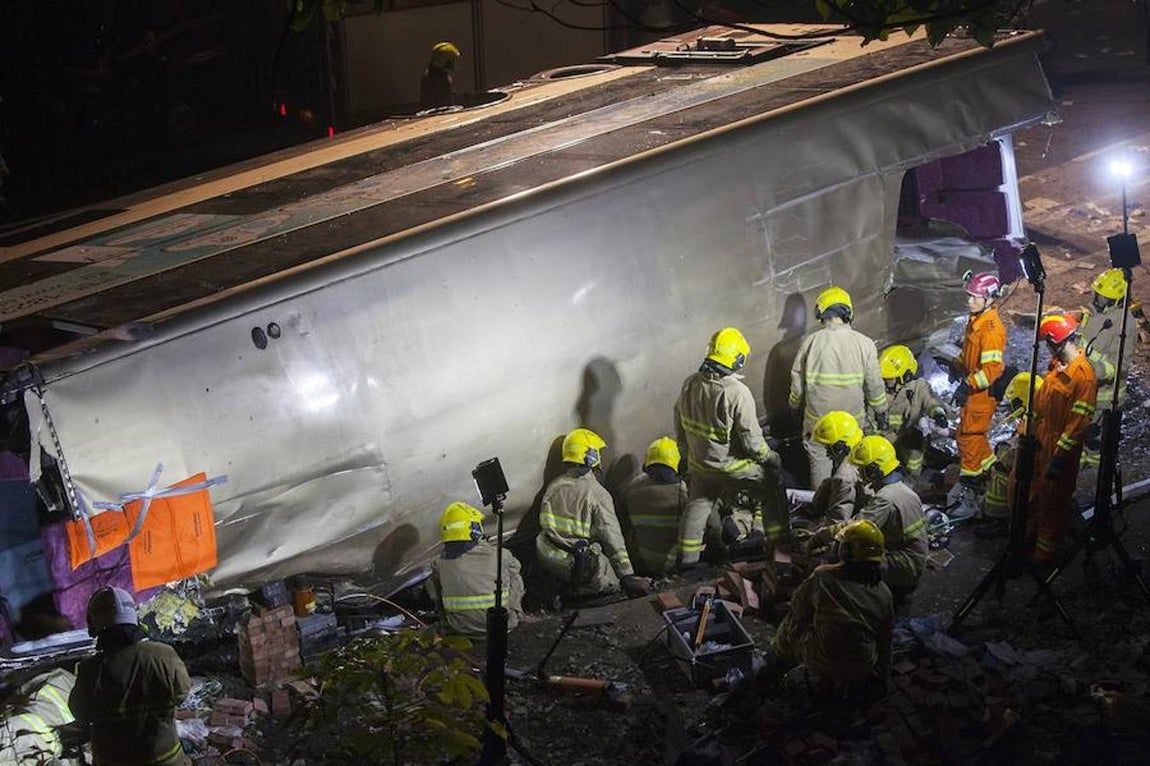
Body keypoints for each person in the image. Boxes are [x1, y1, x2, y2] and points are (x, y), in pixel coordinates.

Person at [674, 327, 785, 568]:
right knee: (772, 487)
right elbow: (751, 441)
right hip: (730, 466)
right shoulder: (737, 392)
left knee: (698, 505)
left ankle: (687, 562)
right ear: (738, 359)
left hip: (700, 464)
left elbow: (679, 424)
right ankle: (780, 545)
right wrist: (770, 458)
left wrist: (687, 453)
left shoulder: (690, 384)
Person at [771, 519, 894, 702]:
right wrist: (882, 677)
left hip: (822, 660)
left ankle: (776, 661)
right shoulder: (885, 593)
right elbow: (885, 640)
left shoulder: (823, 577)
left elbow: (798, 606)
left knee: (791, 621)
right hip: (863, 665)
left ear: (844, 551)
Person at [70, 587, 192, 766]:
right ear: (134, 618)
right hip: (165, 759)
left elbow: (80, 713)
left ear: (94, 624)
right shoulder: (163, 654)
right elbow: (181, 693)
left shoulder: (90, 669)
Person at [789, 287, 888, 488]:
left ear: (821, 312)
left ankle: (820, 507)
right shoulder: (865, 343)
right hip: (852, 422)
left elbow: (797, 381)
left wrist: (794, 406)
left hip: (818, 421)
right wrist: (881, 411)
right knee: (852, 465)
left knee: (819, 462)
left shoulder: (811, 342)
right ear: (848, 312)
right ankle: (851, 507)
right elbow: (874, 385)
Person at [536, 428, 650, 597]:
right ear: (591, 457)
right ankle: (578, 593)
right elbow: (613, 537)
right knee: (612, 582)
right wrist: (627, 575)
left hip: (548, 557)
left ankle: (559, 588)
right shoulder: (597, 493)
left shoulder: (554, 486)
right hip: (578, 565)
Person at [815, 436, 926, 605]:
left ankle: (856, 601)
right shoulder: (905, 491)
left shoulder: (885, 498)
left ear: (875, 470)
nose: (859, 473)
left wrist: (820, 536)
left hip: (906, 566)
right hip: (912, 558)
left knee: (848, 559)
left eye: (863, 469)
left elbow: (853, 528)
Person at [1027, 314, 1098, 564]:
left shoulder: (1083, 377)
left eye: (1047, 342)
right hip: (1043, 444)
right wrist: (1029, 433)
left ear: (1054, 341)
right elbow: (1041, 406)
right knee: (1035, 495)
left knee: (1053, 504)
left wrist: (1058, 458)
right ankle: (1031, 539)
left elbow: (1078, 424)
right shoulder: (1057, 367)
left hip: (1060, 453)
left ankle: (1044, 556)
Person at [426, 501, 525, 637]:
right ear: (475, 528)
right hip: (502, 626)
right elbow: (516, 579)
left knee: (433, 581)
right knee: (513, 572)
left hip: (460, 629)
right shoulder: (502, 555)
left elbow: (436, 596)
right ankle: (516, 615)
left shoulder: (438, 563)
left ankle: (446, 626)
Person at [954, 271, 1007, 487]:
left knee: (969, 435)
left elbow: (993, 369)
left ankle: (972, 479)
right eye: (969, 296)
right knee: (970, 434)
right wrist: (957, 364)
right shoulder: (976, 320)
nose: (970, 301)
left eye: (975, 297)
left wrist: (968, 384)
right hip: (975, 389)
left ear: (990, 299)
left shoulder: (991, 330)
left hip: (982, 394)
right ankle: (990, 468)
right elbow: (969, 353)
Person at [978, 372, 1043, 539]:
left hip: (1034, 477)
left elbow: (1021, 452)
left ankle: (999, 519)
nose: (1013, 406)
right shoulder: (1039, 415)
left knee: (998, 471)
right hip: (1038, 471)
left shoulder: (1034, 423)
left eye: (1016, 401)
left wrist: (995, 462)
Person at [1080, 268, 1130, 469]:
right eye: (1098, 294)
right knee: (1082, 435)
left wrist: (1091, 371)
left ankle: (1095, 477)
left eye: (1104, 297)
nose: (1099, 298)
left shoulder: (1126, 325)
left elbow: (1118, 365)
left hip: (1105, 397)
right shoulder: (1094, 316)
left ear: (1116, 300)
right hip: (1087, 389)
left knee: (1095, 442)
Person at [878, 344, 949, 482]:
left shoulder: (919, 387)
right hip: (885, 437)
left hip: (909, 437)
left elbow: (931, 401)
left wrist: (938, 414)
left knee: (914, 462)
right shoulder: (881, 390)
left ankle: (913, 485)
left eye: (890, 379)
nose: (886, 382)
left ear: (906, 375)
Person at [619, 437, 688, 577]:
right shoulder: (685, 492)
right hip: (674, 566)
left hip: (642, 565)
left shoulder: (630, 488)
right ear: (679, 465)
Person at [807, 411, 867, 524]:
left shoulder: (844, 476)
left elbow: (837, 522)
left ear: (840, 447)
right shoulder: (864, 450)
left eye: (829, 447)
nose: (827, 453)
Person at [421, 42, 460, 110]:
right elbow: (444, 105)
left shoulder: (434, 75)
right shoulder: (437, 79)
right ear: (445, 61)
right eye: (452, 60)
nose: (454, 63)